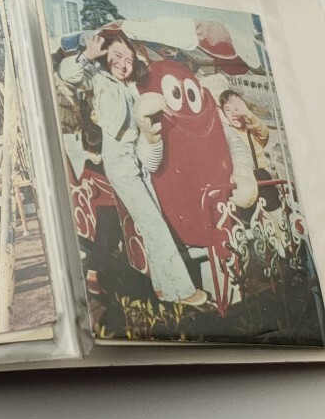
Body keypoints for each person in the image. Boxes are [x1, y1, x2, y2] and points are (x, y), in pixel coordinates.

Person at [60, 29, 208, 307]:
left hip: (137, 154)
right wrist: (86, 56)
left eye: (128, 59)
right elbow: (68, 74)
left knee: (154, 218)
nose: (123, 64)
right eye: (116, 57)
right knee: (152, 222)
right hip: (119, 156)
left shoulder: (131, 86)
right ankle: (181, 290)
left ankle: (162, 286)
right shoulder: (97, 78)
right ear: (104, 56)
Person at [219, 88, 276, 213]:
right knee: (248, 217)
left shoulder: (253, 131)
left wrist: (248, 114)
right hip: (243, 181)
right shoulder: (227, 135)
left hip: (261, 177)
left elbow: (264, 133)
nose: (233, 113)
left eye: (236, 108)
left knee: (274, 212)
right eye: (227, 110)